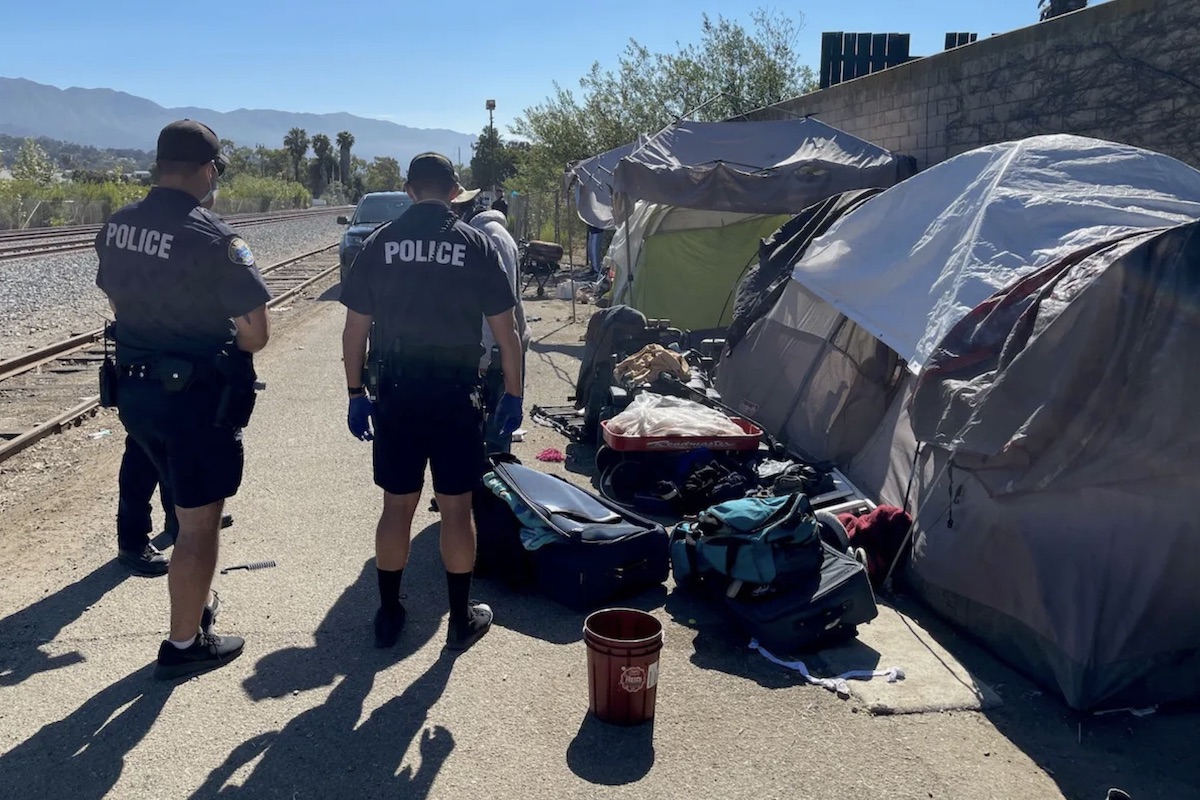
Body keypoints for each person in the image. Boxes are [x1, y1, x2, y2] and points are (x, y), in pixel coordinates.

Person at [95, 118, 272, 680]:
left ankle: (197, 605)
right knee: (198, 524)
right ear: (208, 169)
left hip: (135, 391)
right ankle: (183, 644)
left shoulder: (118, 225)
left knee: (177, 496)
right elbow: (255, 334)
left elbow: (116, 296)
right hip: (193, 399)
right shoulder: (215, 238)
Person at [340, 152, 524, 653]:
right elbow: (507, 333)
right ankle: (460, 619)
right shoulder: (475, 244)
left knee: (397, 506)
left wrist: (356, 394)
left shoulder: (379, 243)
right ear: (453, 192)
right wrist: (513, 393)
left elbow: (354, 331)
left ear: (409, 190)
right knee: (457, 508)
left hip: (397, 393)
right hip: (455, 394)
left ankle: (388, 613)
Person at [452, 193, 532, 454]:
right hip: (501, 347)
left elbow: (499, 307)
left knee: (493, 441)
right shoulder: (495, 233)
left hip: (497, 352)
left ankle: (492, 479)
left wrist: (485, 356)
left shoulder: (489, 238)